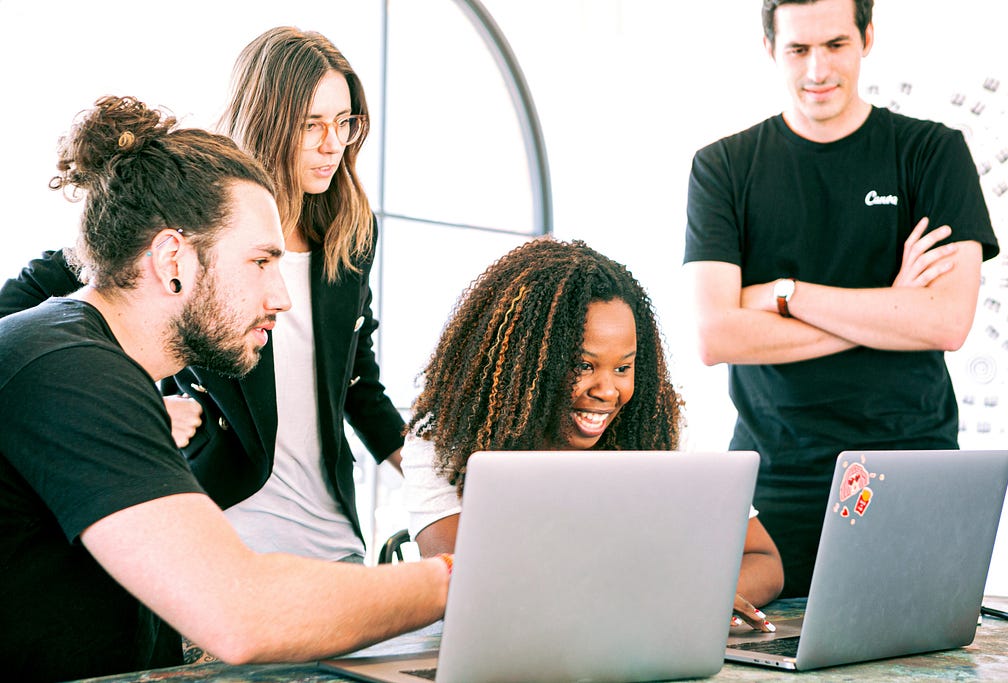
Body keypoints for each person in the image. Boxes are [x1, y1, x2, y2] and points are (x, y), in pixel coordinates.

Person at [0, 95, 449, 683]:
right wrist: (458, 578)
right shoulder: (67, 366)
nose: (282, 298)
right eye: (261, 262)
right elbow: (241, 613)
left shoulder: (100, 363)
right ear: (172, 259)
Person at [0, 27, 405, 563]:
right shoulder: (188, 214)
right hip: (217, 533)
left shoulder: (351, 233)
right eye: (312, 125)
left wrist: (437, 474)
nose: (334, 144)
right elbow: (27, 321)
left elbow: (357, 381)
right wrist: (136, 407)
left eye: (344, 122)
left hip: (331, 538)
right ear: (269, 120)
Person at [682, 0, 1000, 598]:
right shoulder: (722, 168)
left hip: (911, 467)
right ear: (770, 48)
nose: (817, 70)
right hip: (773, 480)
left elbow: (947, 321)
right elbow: (715, 335)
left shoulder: (931, 154)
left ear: (867, 37)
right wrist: (889, 308)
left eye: (835, 45)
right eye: (798, 50)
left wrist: (784, 294)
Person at [402, 237, 784, 628]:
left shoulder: (658, 429)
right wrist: (657, 593)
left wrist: (696, 596)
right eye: (583, 365)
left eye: (623, 368)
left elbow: (764, 562)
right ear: (529, 362)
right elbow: (469, 587)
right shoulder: (444, 439)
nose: (606, 391)